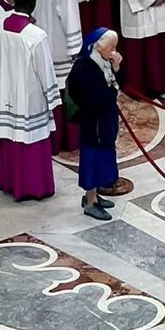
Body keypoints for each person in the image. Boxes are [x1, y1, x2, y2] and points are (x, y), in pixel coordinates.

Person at [0, 0, 60, 201]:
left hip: (4, 92)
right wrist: (53, 99)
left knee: (9, 138)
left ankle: (8, 181)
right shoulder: (36, 35)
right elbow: (46, 71)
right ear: (33, 5)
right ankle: (34, 187)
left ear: (15, 2)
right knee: (30, 141)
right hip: (28, 96)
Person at [23, 0, 83, 155]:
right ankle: (65, 139)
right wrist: (76, 51)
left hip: (35, 37)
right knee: (63, 91)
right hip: (58, 45)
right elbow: (70, 18)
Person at [66, 28, 123, 221]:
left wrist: (116, 70)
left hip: (104, 122)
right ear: (99, 47)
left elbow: (118, 86)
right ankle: (90, 202)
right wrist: (113, 92)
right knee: (92, 161)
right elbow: (98, 98)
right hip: (93, 125)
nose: (114, 52)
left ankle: (96, 196)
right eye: (111, 47)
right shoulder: (84, 68)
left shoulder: (105, 63)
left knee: (104, 157)